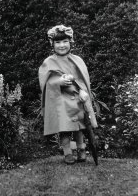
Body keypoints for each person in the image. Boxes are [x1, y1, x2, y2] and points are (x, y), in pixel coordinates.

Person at [38, 25, 98, 164]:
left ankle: (81, 150)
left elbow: (83, 79)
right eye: (58, 42)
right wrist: (59, 81)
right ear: (52, 44)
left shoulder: (77, 60)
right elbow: (46, 82)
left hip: (78, 99)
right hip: (61, 101)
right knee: (64, 128)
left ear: (70, 42)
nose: (61, 45)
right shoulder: (49, 62)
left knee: (79, 127)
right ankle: (67, 153)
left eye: (65, 41)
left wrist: (83, 92)